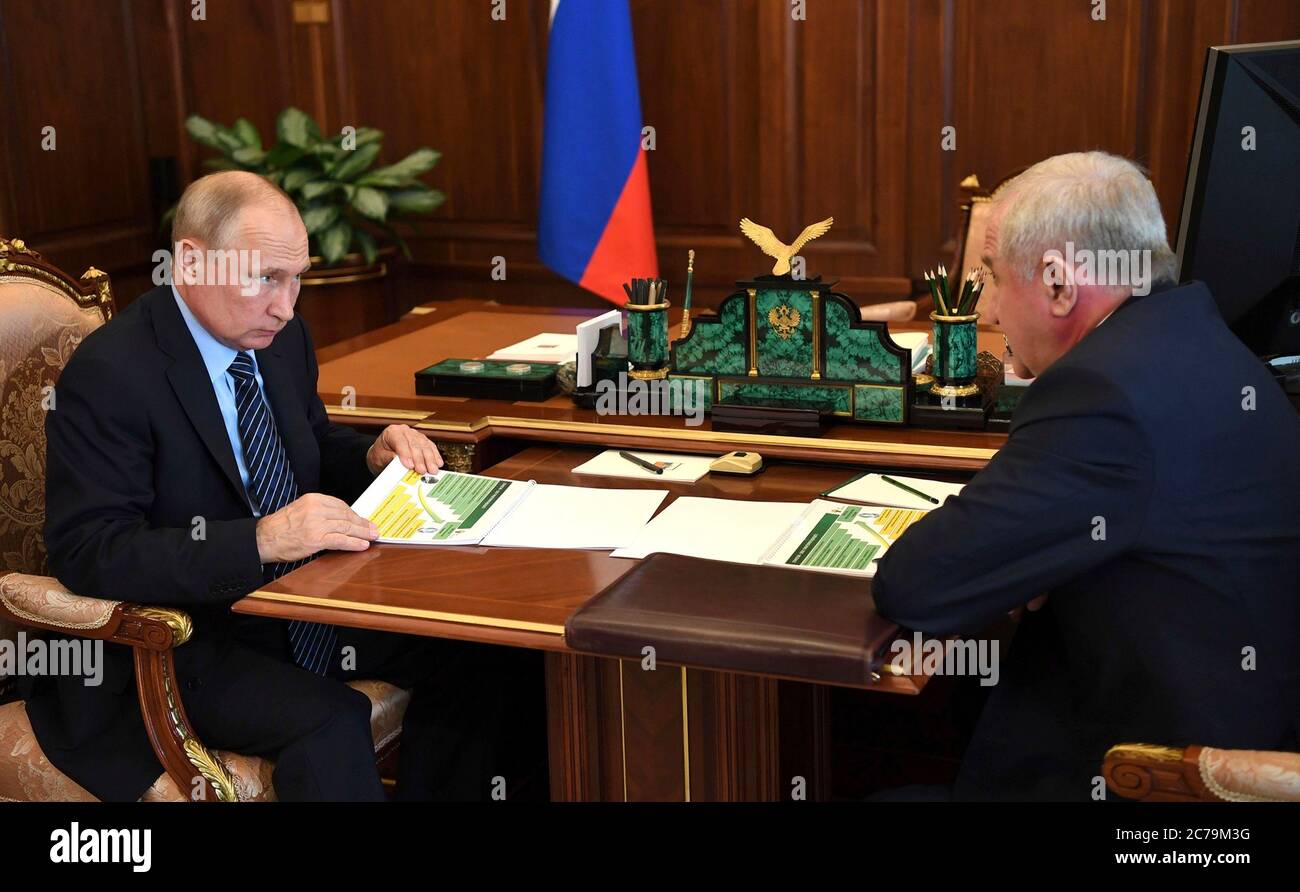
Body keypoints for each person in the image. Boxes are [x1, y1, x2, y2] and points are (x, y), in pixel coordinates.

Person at [23, 171, 528, 801]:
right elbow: (91, 551)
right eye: (264, 278)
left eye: (297, 280)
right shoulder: (113, 373)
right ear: (191, 261)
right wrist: (259, 540)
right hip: (188, 636)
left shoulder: (279, 339)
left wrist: (370, 455)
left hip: (300, 599)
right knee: (327, 720)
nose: (286, 306)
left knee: (489, 651)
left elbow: (305, 452)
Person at [873, 151, 1300, 800]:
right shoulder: (1192, 341)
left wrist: (1022, 559)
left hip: (1164, 790)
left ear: (1057, 284)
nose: (986, 309)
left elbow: (912, 584)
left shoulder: (1103, 393)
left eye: (991, 275)